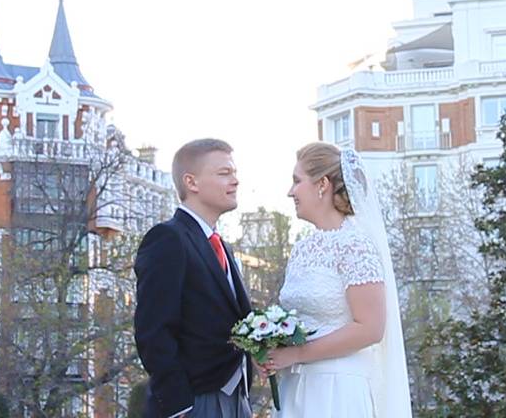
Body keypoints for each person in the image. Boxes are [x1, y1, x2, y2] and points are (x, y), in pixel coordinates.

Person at [266, 142, 411, 417]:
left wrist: (297, 354)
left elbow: (370, 328)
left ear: (322, 184)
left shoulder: (355, 245)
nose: (290, 192)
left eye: (297, 181)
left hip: (337, 389)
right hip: (295, 386)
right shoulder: (302, 248)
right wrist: (272, 349)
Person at [134, 138, 253, 418]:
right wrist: (180, 406)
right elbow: (153, 330)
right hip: (195, 403)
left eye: (234, 173)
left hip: (237, 400)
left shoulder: (223, 246)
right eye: (224, 173)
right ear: (192, 182)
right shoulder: (167, 238)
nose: (235, 181)